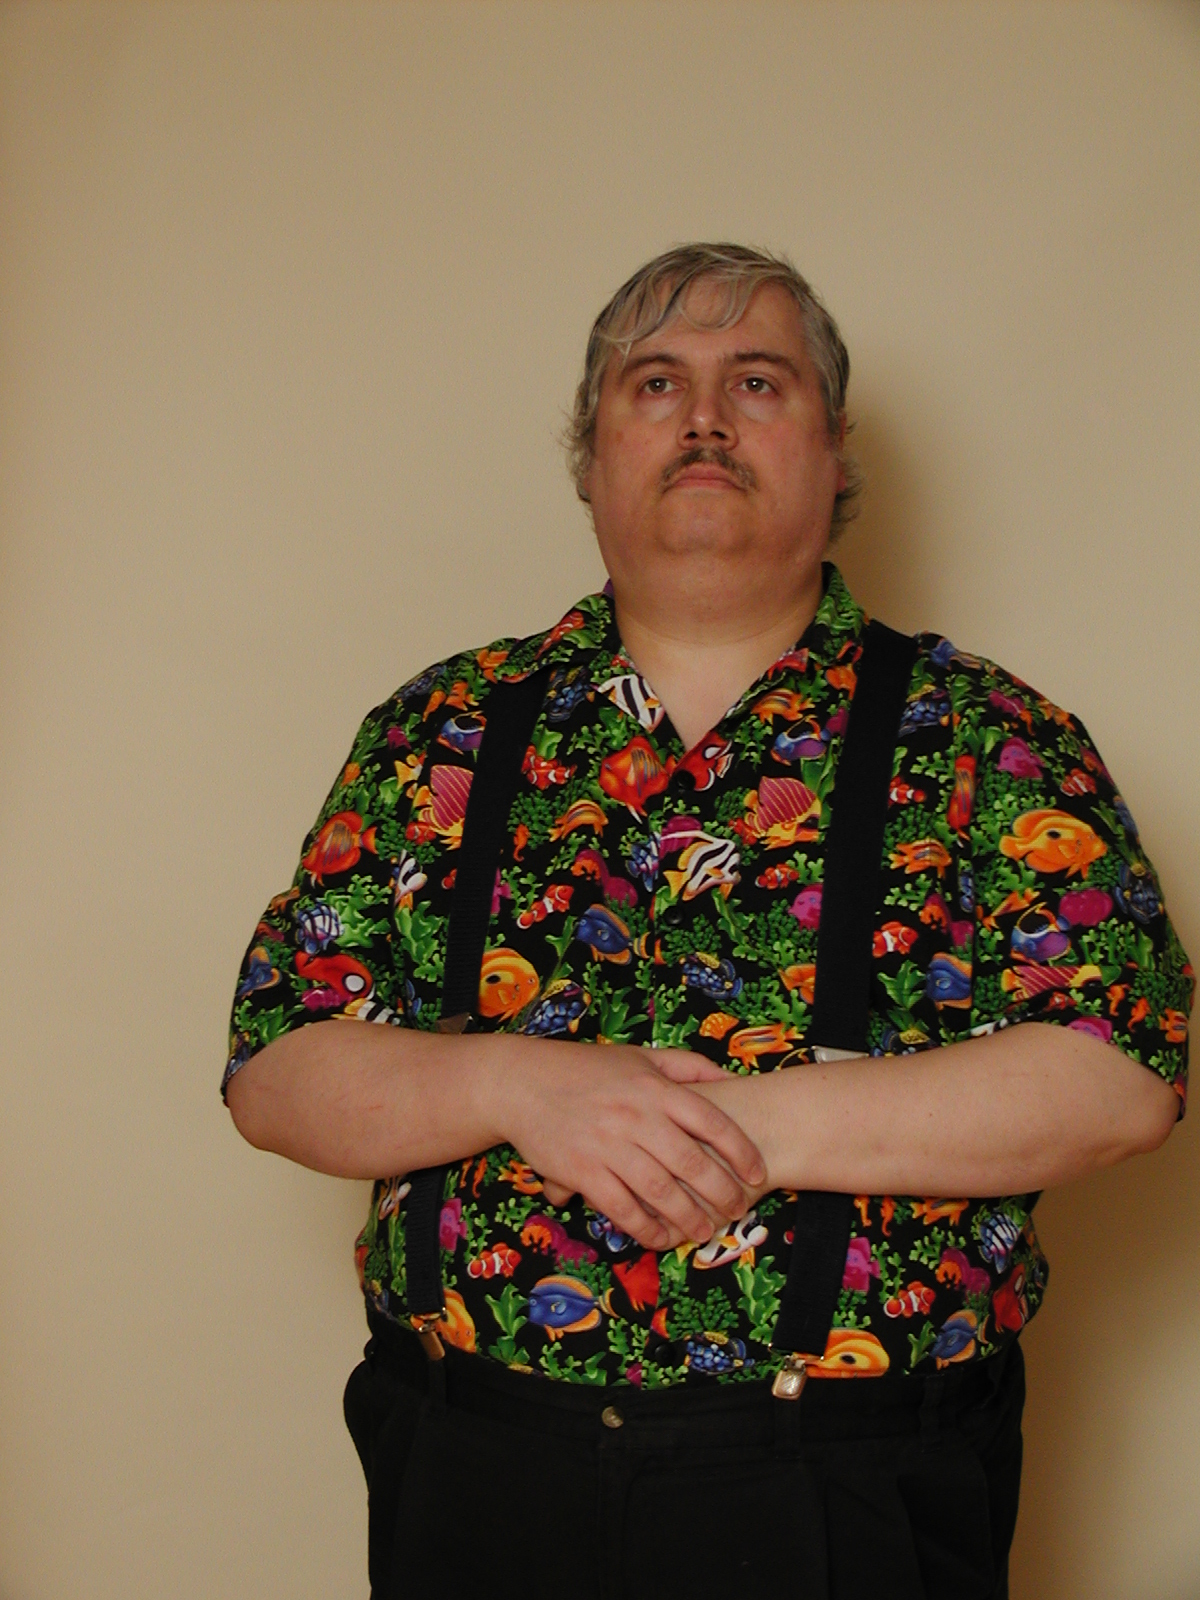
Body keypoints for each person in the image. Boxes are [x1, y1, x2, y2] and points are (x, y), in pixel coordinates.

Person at [224, 243, 1192, 1600]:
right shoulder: (437, 732)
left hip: (851, 1491)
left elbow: (1120, 1075)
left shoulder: (992, 736)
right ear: (591, 454)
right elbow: (276, 1067)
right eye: (656, 383)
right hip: (478, 1476)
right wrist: (522, 1088)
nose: (704, 419)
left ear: (835, 454)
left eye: (759, 381)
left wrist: (725, 1129)